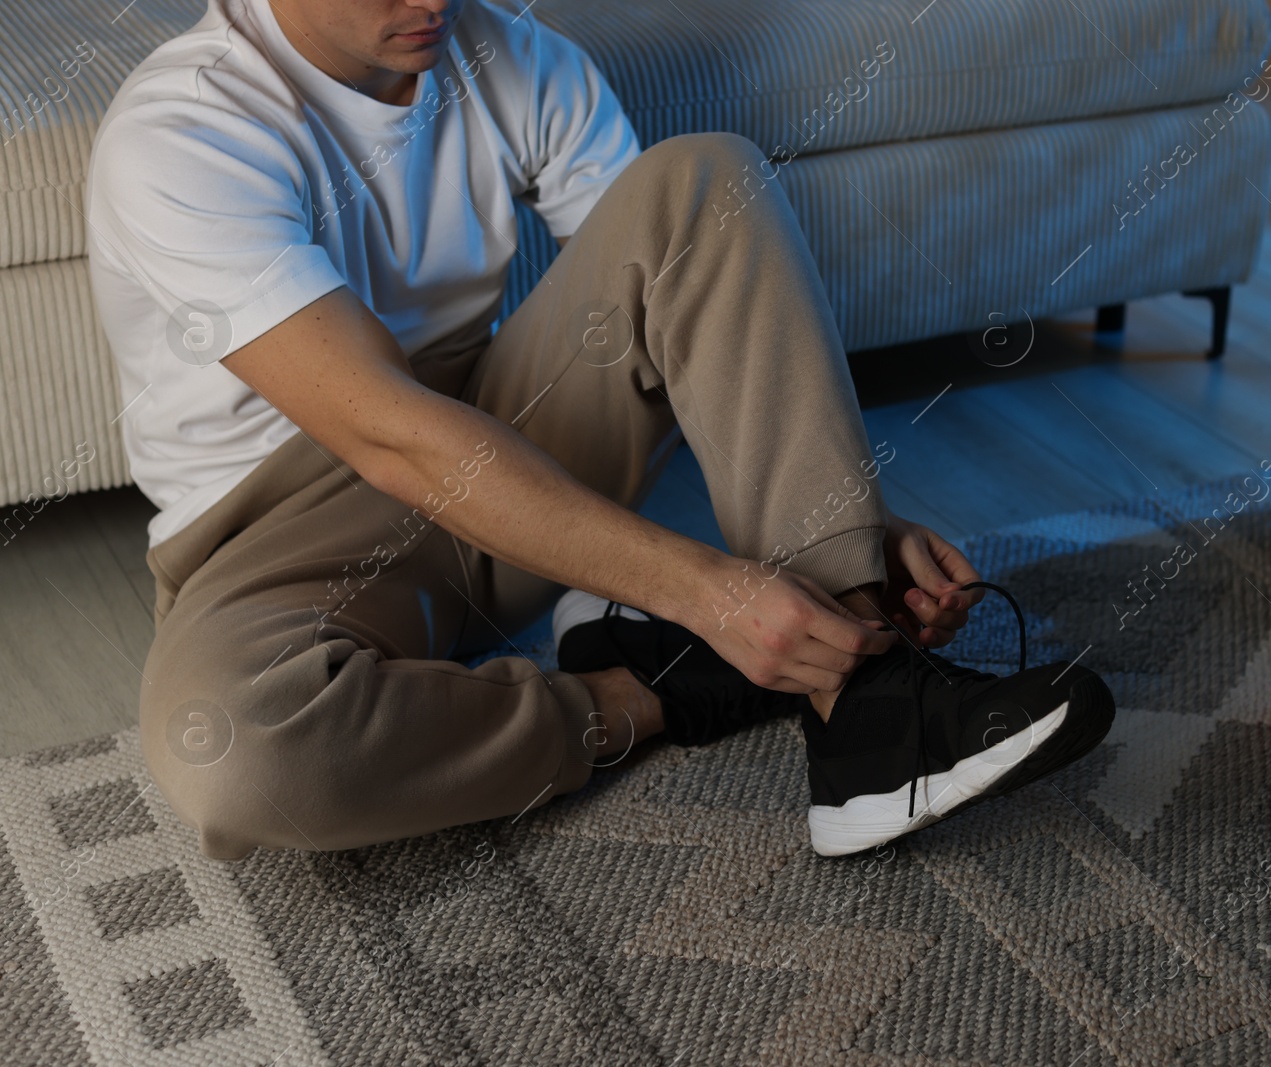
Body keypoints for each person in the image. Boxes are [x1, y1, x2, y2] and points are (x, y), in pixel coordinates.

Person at [86, 0, 1114, 862]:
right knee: (238, 755)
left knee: (700, 183)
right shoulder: (185, 132)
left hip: (498, 438)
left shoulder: (508, 54)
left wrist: (852, 519)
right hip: (284, 535)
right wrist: (704, 594)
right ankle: (652, 684)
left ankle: (872, 698)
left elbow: (689, 300)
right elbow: (387, 437)